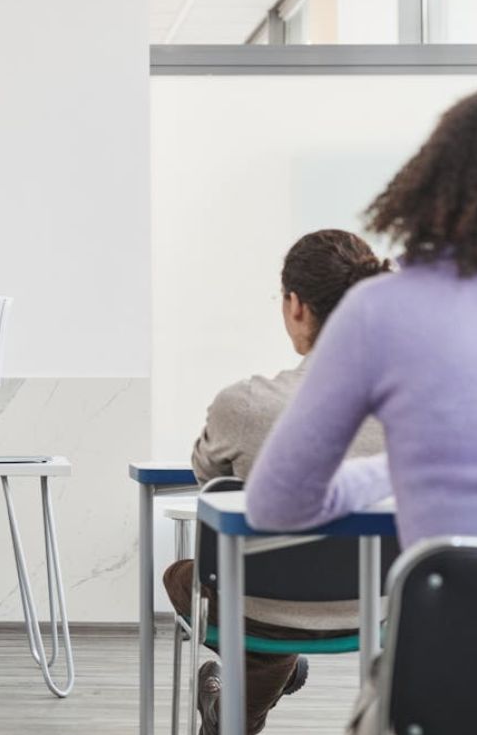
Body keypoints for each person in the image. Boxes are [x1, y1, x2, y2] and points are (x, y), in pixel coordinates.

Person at [237, 76, 477, 734]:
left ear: (440, 178)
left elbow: (275, 503)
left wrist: (389, 472)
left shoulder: (382, 310)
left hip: (443, 691)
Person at [164, 229, 391, 734]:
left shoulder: (244, 405)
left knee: (188, 577)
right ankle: (248, 694)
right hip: (377, 609)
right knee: (264, 594)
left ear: (294, 305)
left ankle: (243, 699)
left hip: (260, 605)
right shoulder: (412, 408)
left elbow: (208, 480)